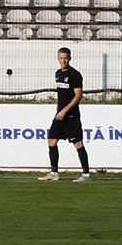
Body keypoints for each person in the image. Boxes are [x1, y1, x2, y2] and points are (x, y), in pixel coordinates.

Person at [41, 46, 89, 182]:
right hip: (60, 114)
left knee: (78, 143)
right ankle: (54, 173)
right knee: (51, 140)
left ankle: (86, 175)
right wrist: (59, 111)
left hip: (71, 115)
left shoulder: (75, 75)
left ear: (70, 59)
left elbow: (78, 96)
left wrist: (65, 110)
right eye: (61, 58)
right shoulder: (58, 74)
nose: (63, 61)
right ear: (58, 59)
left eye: (66, 58)